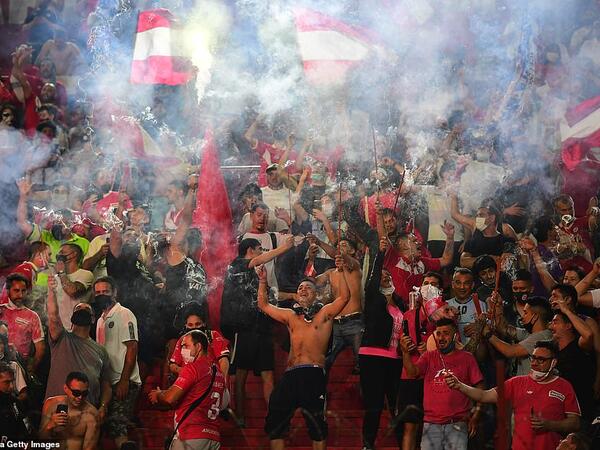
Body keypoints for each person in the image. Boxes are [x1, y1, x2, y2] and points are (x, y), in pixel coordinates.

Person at [258, 258, 350, 450]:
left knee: (316, 425)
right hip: (291, 375)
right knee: (275, 421)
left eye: (307, 287)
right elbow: (264, 306)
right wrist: (262, 281)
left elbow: (344, 298)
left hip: (313, 374)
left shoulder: (324, 314)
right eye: (300, 288)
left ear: (316, 294)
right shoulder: (291, 316)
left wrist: (341, 272)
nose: (302, 289)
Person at [444, 341, 581, 450]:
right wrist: (460, 385)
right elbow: (484, 396)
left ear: (553, 362)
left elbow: (575, 423)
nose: (534, 363)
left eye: (541, 360)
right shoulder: (516, 383)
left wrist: (550, 425)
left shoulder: (564, 386)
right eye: (533, 358)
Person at [220, 236, 293, 426]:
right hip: (244, 328)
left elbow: (272, 296)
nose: (262, 253)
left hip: (263, 328)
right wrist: (284, 247)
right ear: (250, 250)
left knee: (268, 373)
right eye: (260, 249)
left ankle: (273, 418)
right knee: (241, 374)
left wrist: (293, 295)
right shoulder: (237, 265)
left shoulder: (257, 276)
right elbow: (260, 260)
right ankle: (240, 416)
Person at [400, 318, 484, 450]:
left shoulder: (467, 358)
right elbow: (412, 373)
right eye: (438, 333)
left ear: (455, 336)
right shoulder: (428, 357)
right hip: (431, 424)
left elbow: (480, 388)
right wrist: (405, 353)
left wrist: (477, 414)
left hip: (457, 424)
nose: (441, 337)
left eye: (446, 333)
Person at [359, 238, 405, 449]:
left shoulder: (400, 302)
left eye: (388, 275)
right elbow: (374, 273)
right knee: (375, 405)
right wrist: (381, 252)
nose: (385, 278)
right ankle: (368, 444)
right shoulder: (373, 299)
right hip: (372, 356)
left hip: (395, 359)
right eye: (382, 276)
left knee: (397, 405)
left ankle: (403, 443)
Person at [149, 330, 227, 450]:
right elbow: (223, 403)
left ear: (199, 346)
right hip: (214, 437)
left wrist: (159, 395)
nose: (182, 350)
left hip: (191, 435)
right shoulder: (219, 373)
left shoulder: (192, 368)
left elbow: (170, 398)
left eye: (186, 345)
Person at [45, 274, 111, 414]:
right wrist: (51, 291)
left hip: (86, 414)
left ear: (93, 319)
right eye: (78, 309)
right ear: (72, 316)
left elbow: (106, 384)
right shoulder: (61, 338)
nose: (82, 311)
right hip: (57, 409)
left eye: (86, 310)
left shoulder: (100, 351)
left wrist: (103, 407)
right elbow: (53, 315)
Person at [94, 276, 142, 448]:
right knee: (105, 424)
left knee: (116, 424)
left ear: (114, 292)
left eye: (105, 291)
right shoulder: (100, 319)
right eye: (98, 292)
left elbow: (132, 347)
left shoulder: (124, 314)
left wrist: (124, 380)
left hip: (124, 380)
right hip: (107, 382)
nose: (101, 295)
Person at [483, 295, 553, 375]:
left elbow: (509, 351)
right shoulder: (530, 333)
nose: (522, 317)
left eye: (526, 313)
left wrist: (488, 334)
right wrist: (499, 306)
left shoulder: (542, 338)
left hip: (530, 386)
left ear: (535, 317)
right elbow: (503, 329)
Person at [548, 311, 596, 422]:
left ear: (568, 326)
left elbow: (588, 334)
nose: (551, 326)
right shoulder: (552, 352)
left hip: (581, 412)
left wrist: (565, 309)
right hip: (559, 412)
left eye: (555, 322)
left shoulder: (579, 346)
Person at [39, 371, 100, 450]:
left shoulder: (92, 415)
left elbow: (89, 448)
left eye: (84, 393)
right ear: (65, 388)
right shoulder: (51, 404)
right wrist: (50, 425)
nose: (80, 397)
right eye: (76, 393)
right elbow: (40, 440)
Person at [0, 273, 45, 375]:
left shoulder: (32, 316)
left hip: (20, 366)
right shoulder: (0, 310)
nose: (20, 295)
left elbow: (40, 348)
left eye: (23, 291)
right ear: (8, 291)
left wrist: (31, 369)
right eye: (16, 290)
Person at [446, 268, 487, 358]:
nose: (462, 287)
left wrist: (480, 328)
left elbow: (490, 334)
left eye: (466, 283)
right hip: (451, 357)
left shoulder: (481, 305)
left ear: (472, 285)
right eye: (458, 282)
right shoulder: (445, 305)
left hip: (476, 358)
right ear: (453, 284)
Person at [0, 362, 31, 440]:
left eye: (12, 381)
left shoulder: (15, 403)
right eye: (6, 382)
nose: (12, 386)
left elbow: (27, 432)